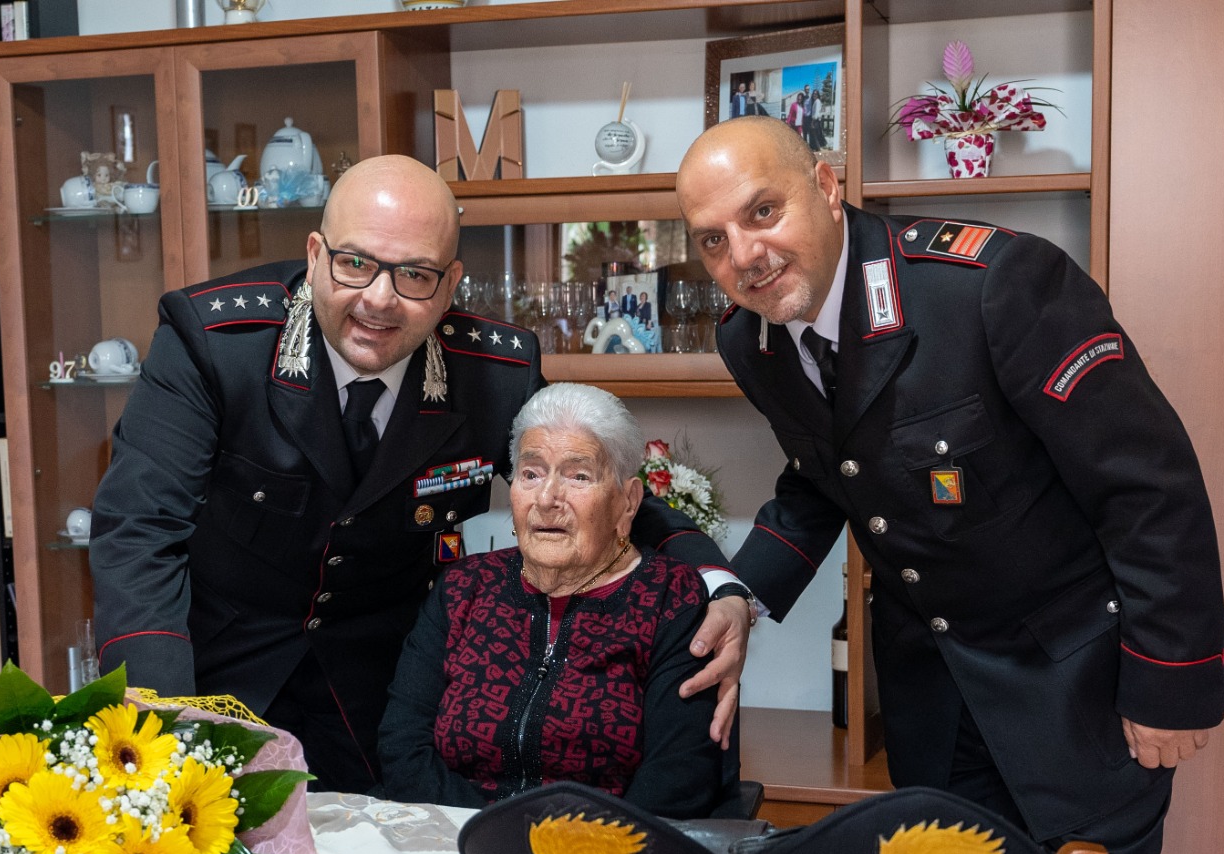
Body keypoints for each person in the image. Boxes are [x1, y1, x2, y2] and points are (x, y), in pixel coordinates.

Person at [675, 117, 1224, 854]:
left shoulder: (991, 286)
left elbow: (1147, 486)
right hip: (937, 698)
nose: (744, 255)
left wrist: (1172, 684)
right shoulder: (750, 339)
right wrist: (739, 594)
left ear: (827, 183)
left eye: (762, 212)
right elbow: (825, 477)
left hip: (1078, 687)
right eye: (712, 240)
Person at [90, 156, 752, 795]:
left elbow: (599, 491)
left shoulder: (492, 371)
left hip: (380, 698)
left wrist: (717, 584)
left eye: (414, 274)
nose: (379, 300)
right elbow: (139, 530)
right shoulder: (217, 343)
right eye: (355, 264)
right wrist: (161, 724)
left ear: (450, 283)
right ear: (316, 255)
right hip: (213, 676)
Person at [378, 384, 728, 818]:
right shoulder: (464, 587)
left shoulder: (670, 597)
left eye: (578, 476)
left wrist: (557, 846)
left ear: (627, 503)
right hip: (451, 838)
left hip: (604, 849)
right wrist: (486, 835)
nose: (547, 499)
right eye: (531, 474)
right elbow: (403, 745)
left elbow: (677, 778)